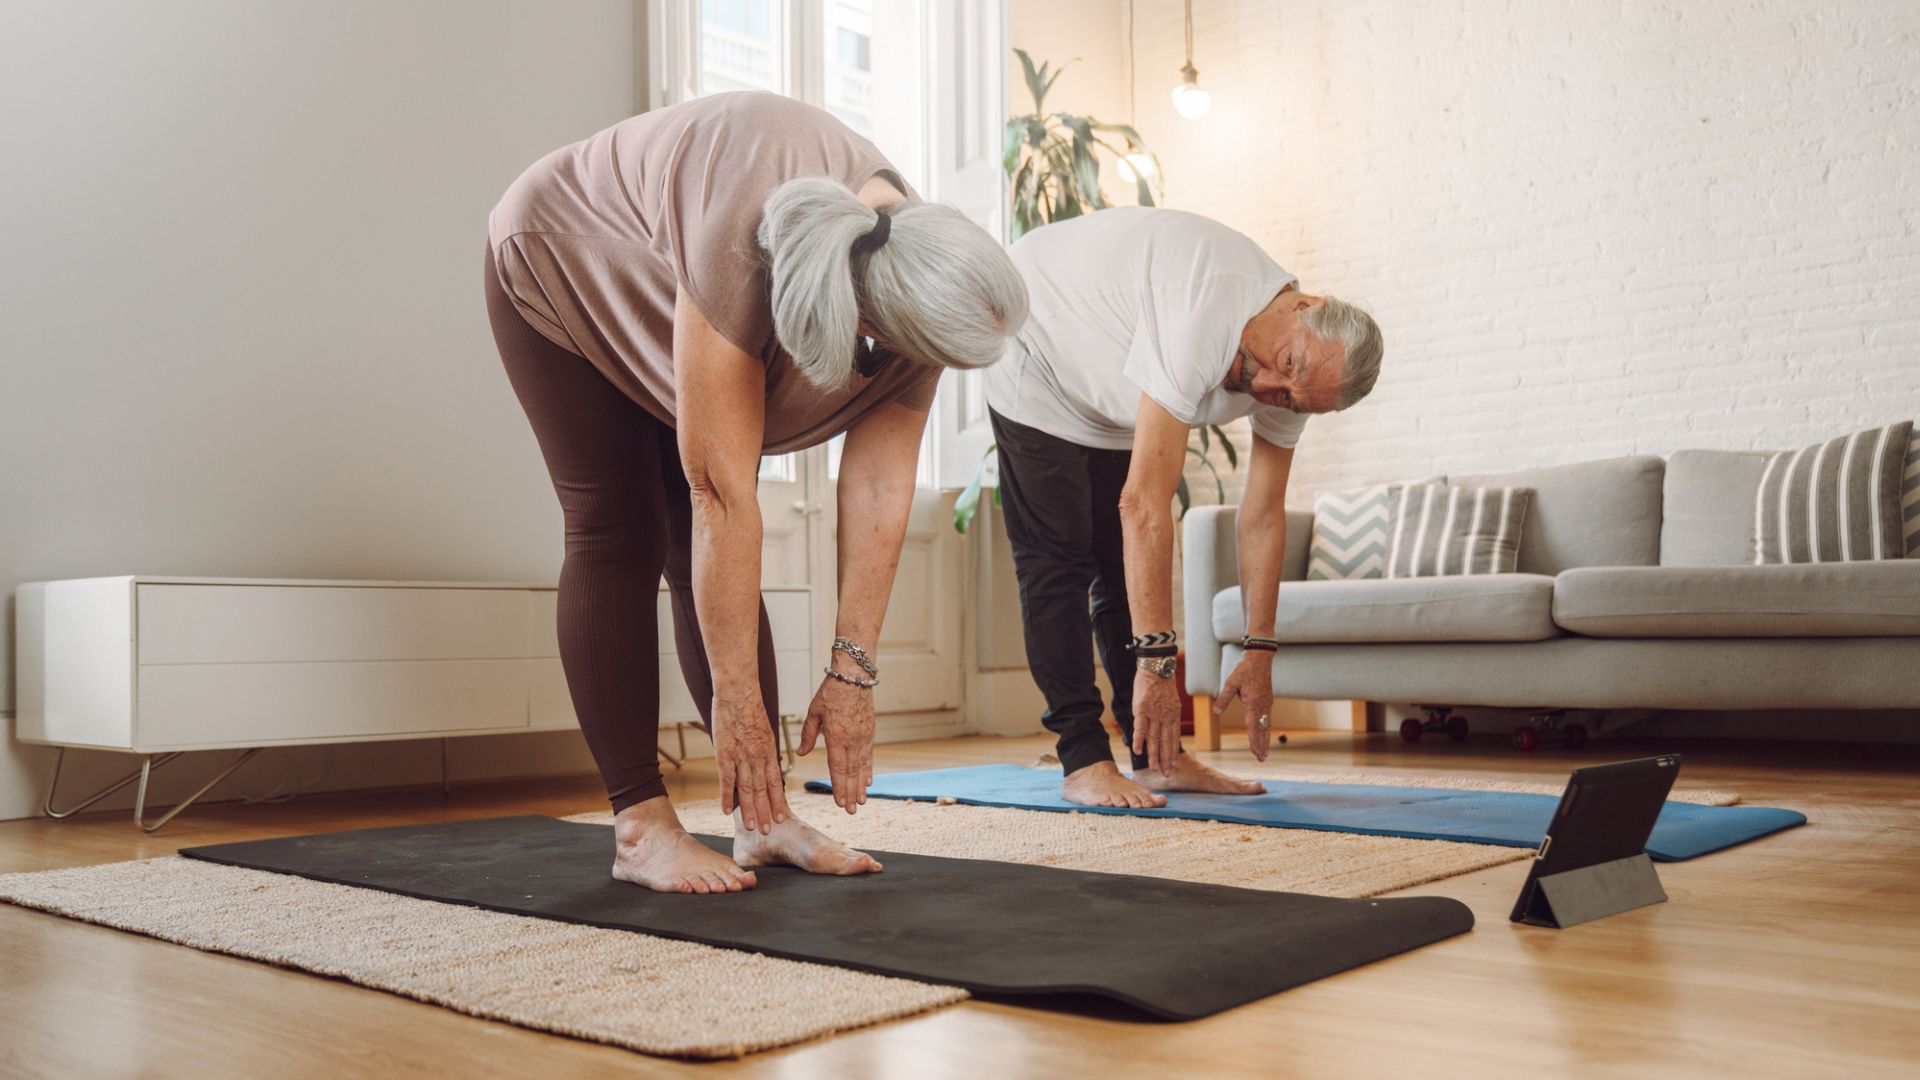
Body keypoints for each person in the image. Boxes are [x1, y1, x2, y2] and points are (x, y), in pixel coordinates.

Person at [486, 91, 1028, 893]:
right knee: (622, 528)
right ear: (866, 323)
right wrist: (737, 703)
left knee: (693, 551)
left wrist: (854, 672)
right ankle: (640, 826)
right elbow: (724, 496)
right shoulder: (741, 236)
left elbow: (880, 484)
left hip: (669, 279)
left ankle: (762, 821)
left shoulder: (918, 263)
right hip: (564, 262)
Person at [988, 206, 1382, 809]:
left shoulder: (1296, 375)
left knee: (1124, 575)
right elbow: (1143, 506)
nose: (1272, 391)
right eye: (1286, 371)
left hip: (1111, 385)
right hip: (1035, 341)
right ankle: (1083, 759)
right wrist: (1158, 667)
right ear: (1305, 305)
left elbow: (1263, 515)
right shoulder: (1208, 308)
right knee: (1057, 561)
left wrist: (1259, 648)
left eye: (1294, 398)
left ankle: (1157, 762)